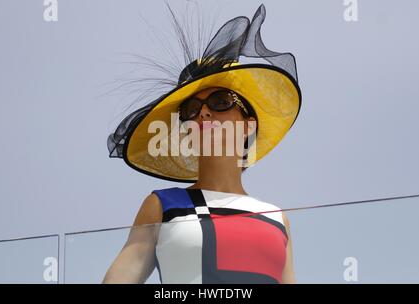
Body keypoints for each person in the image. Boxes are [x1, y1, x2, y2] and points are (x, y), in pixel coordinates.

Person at [103, 4, 301, 284]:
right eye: (191, 109)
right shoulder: (163, 205)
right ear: (186, 132)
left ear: (248, 125)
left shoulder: (276, 216)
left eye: (221, 102)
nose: (204, 113)